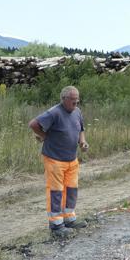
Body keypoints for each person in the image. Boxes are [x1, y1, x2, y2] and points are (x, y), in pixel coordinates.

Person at [28, 86, 88, 238]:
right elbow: (33, 124)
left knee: (72, 189)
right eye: (73, 101)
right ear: (64, 99)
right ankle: (56, 224)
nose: (76, 104)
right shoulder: (54, 112)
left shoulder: (77, 112)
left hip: (71, 159)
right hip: (54, 158)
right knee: (56, 191)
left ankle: (69, 218)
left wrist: (82, 142)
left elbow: (81, 129)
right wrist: (45, 136)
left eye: (77, 101)